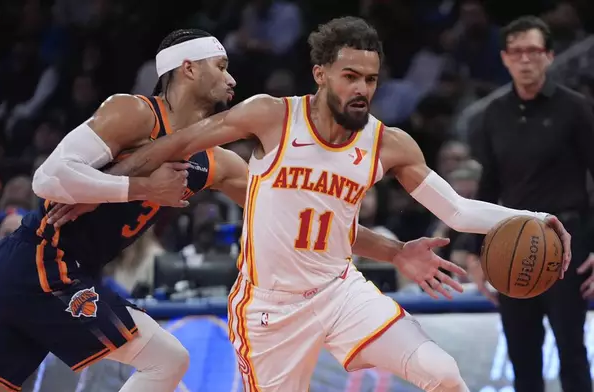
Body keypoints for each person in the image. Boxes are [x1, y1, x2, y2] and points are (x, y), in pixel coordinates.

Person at [0, 28, 462, 392]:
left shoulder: (214, 162)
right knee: (166, 360)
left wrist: (393, 251)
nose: (232, 78)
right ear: (188, 68)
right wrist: (140, 187)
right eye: (221, 66)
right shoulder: (133, 111)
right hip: (41, 262)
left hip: (42, 272)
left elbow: (311, 224)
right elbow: (46, 179)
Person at [106, 17, 572, 392]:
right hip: (270, 308)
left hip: (341, 291)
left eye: (370, 79)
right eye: (350, 76)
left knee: (444, 374)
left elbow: (458, 211)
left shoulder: (389, 144)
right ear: (321, 74)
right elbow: (178, 142)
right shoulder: (272, 115)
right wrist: (100, 183)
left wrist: (535, 218)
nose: (361, 89)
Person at [467, 16, 594, 392]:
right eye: (517, 52)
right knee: (523, 357)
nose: (525, 59)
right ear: (505, 58)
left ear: (550, 56)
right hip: (512, 243)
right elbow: (488, 186)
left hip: (568, 243)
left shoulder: (576, 109)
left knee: (572, 353)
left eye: (534, 51)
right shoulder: (493, 114)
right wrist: (476, 253)